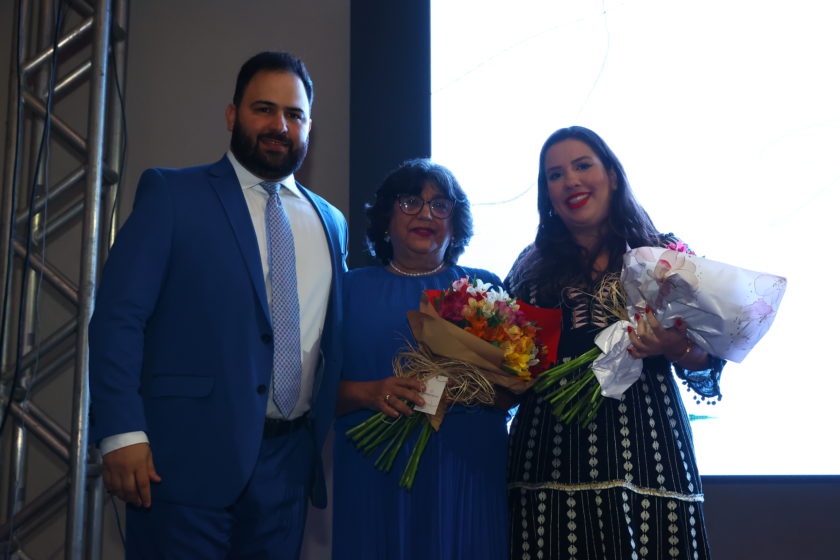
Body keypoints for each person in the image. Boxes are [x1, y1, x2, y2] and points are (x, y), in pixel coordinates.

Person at [88, 51, 348, 558]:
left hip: (287, 472)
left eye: (294, 114)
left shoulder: (331, 222)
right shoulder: (172, 194)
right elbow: (119, 319)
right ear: (232, 115)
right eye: (264, 109)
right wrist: (120, 432)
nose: (279, 126)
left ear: (309, 127)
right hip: (181, 464)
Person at [505, 126, 724, 559]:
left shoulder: (664, 256)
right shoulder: (530, 268)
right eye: (555, 175)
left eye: (582, 166)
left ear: (612, 175)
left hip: (649, 450)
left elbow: (705, 360)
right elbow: (511, 362)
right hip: (548, 456)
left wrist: (672, 346)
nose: (570, 181)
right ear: (547, 194)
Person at [332, 159, 509, 560]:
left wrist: (474, 388)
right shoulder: (347, 290)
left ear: (455, 224)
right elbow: (313, 392)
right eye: (411, 201)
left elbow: (513, 391)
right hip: (374, 470)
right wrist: (367, 393)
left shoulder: (485, 287)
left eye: (440, 204)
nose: (426, 214)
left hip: (466, 468)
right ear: (386, 218)